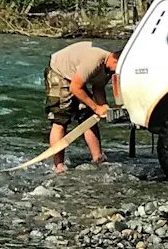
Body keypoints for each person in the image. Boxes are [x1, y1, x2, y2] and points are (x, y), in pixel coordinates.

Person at [43, 42, 117, 174]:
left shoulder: (109, 68)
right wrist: (96, 107)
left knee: (88, 116)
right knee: (60, 119)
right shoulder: (95, 61)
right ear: (114, 59)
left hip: (75, 76)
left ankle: (98, 158)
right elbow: (75, 88)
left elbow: (98, 88)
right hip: (59, 72)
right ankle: (58, 166)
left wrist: (103, 106)